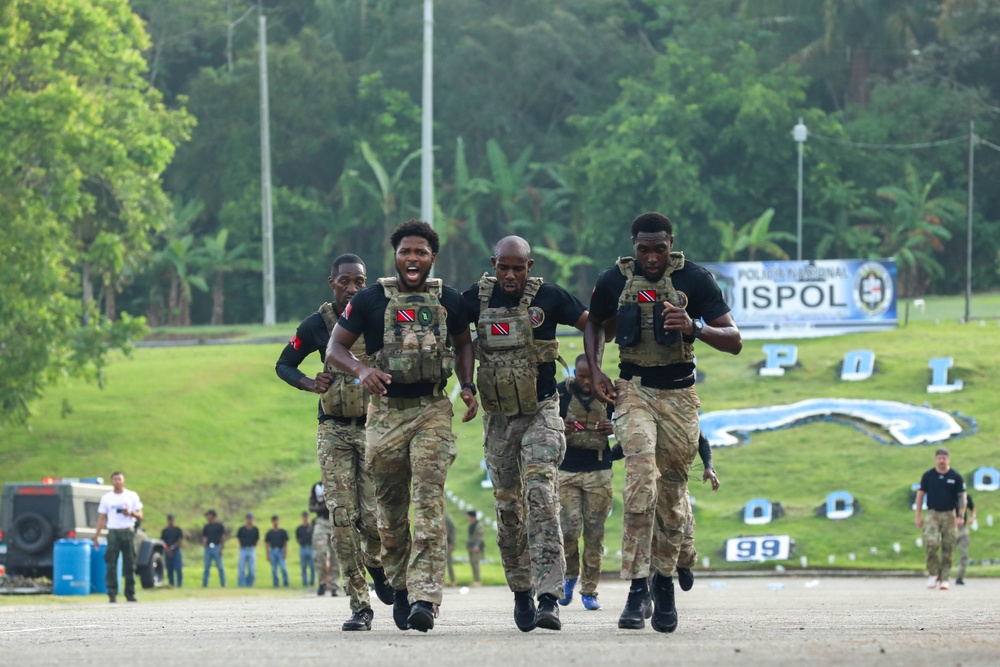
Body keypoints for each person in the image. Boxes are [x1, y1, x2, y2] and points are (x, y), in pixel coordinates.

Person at [583, 211, 742, 633]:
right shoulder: (614, 280)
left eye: (660, 248)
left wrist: (695, 327)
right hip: (633, 389)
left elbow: (735, 341)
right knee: (639, 479)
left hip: (680, 396)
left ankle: (664, 582)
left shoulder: (696, 280)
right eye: (643, 249)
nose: (652, 257)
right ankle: (637, 588)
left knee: (672, 493)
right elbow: (596, 321)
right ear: (634, 245)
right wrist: (597, 370)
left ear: (671, 243)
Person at [329, 219, 478, 633]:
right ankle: (398, 583)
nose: (412, 259)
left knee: (429, 504)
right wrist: (360, 370)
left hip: (431, 410)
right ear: (395, 256)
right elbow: (334, 348)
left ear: (433, 257)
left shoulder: (449, 298)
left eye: (420, 253)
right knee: (390, 515)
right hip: (385, 415)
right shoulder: (370, 299)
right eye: (405, 252)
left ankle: (425, 598)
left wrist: (467, 385)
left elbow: (464, 344)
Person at [461, 235, 589, 632]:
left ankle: (549, 596)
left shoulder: (550, 297)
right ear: (493, 263)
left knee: (540, 492)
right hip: (499, 419)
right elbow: (454, 333)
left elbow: (592, 325)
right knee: (508, 507)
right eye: (504, 266)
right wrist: (465, 384)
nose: (511, 274)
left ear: (529, 267)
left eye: (519, 267)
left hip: (542, 411)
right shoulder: (475, 299)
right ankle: (521, 590)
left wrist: (597, 369)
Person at [278, 253, 392, 632]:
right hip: (334, 430)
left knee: (374, 519)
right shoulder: (317, 325)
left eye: (360, 281)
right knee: (342, 518)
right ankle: (360, 605)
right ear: (333, 282)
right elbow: (284, 363)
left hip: (374, 427)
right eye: (346, 280)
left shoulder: (378, 317)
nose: (353, 288)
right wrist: (311, 384)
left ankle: (376, 564)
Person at [556, 354, 616, 612]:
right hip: (566, 470)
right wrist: (560, 426)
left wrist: (613, 427)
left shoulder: (611, 394)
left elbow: (629, 428)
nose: (585, 382)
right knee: (568, 529)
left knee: (594, 533)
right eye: (580, 376)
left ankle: (590, 590)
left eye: (589, 377)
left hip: (598, 471)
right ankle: (570, 575)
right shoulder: (562, 393)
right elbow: (542, 422)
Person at [915, 447, 967, 590]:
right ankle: (933, 574)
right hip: (932, 514)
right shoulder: (928, 476)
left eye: (944, 458)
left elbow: (962, 497)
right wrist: (918, 516)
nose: (942, 460)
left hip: (950, 514)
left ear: (948, 459)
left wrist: (961, 515)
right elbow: (920, 496)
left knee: (948, 546)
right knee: (931, 542)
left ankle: (944, 578)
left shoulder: (955, 477)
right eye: (939, 458)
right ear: (935, 459)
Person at [675, 433, 720, 593]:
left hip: (677, 486)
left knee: (685, 544)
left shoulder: (682, 414)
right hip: (647, 486)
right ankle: (650, 585)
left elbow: (702, 440)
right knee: (649, 540)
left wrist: (708, 466)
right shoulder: (641, 415)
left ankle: (683, 565)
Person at [93, 471, 143, 603]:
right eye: (115, 479)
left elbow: (140, 515)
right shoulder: (107, 498)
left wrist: (130, 513)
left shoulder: (131, 496)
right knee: (111, 564)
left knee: (129, 564)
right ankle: (112, 593)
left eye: (119, 479)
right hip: (113, 532)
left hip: (127, 531)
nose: (117, 482)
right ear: (111, 482)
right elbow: (102, 518)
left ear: (124, 481)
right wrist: (96, 536)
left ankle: (130, 593)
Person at [308, 480, 341, 597]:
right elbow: (311, 506)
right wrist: (322, 508)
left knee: (336, 556)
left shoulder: (337, 482)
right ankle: (322, 583)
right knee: (319, 554)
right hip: (321, 522)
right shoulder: (317, 487)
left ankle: (334, 586)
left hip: (335, 521)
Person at [201, 509, 226, 587]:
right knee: (206, 567)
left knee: (220, 567)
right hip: (208, 547)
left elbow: (222, 537)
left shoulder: (219, 526)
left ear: (212, 516)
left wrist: (221, 548)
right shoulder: (206, 526)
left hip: (217, 546)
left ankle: (223, 583)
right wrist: (204, 542)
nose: (207, 517)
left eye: (208, 515)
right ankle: (205, 583)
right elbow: (204, 536)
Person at [956, 492, 976, 585]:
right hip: (950, 528)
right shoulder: (948, 494)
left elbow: (972, 508)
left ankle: (960, 577)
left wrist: (972, 518)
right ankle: (943, 577)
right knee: (946, 553)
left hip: (963, 528)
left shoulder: (967, 496)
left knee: (963, 554)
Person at [265, 514, 290, 587]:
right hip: (272, 551)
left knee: (283, 568)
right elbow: (267, 544)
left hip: (280, 551)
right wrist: (268, 554)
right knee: (274, 569)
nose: (275, 522)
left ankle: (286, 583)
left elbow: (285, 543)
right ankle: (276, 584)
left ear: (279, 521)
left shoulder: (283, 532)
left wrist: (285, 552)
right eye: (274, 521)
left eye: (276, 520)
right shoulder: (269, 533)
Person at [236, 513, 259, 587]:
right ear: (246, 520)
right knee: (241, 567)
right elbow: (238, 538)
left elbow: (257, 539)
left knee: (252, 569)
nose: (250, 521)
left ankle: (249, 584)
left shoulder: (255, 529)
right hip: (243, 549)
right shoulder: (242, 529)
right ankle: (241, 584)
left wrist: (254, 546)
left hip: (251, 549)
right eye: (248, 519)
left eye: (251, 519)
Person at [160, 513, 184, 588]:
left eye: (172, 520)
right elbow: (162, 541)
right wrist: (167, 549)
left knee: (178, 568)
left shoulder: (177, 530)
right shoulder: (165, 531)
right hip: (168, 551)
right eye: (170, 520)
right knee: (169, 568)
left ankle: (179, 583)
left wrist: (172, 548)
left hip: (176, 550)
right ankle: (171, 583)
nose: (171, 522)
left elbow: (179, 541)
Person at [296, 511, 316, 588]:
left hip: (311, 547)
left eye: (307, 517)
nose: (305, 518)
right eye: (304, 517)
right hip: (303, 548)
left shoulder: (311, 527)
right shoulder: (299, 528)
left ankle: (312, 581)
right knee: (303, 566)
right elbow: (297, 538)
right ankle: (304, 582)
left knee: (312, 566)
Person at [466, 510, 484, 586]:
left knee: (476, 563)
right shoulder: (472, 525)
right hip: (471, 547)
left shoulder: (479, 525)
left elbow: (479, 536)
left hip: (476, 547)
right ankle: (475, 580)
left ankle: (477, 581)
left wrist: (477, 545)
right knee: (472, 563)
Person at [444, 513, 457, 587]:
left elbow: (452, 531)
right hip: (438, 544)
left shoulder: (447, 519)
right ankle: (442, 582)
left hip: (447, 543)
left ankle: (453, 581)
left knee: (449, 563)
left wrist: (452, 543)